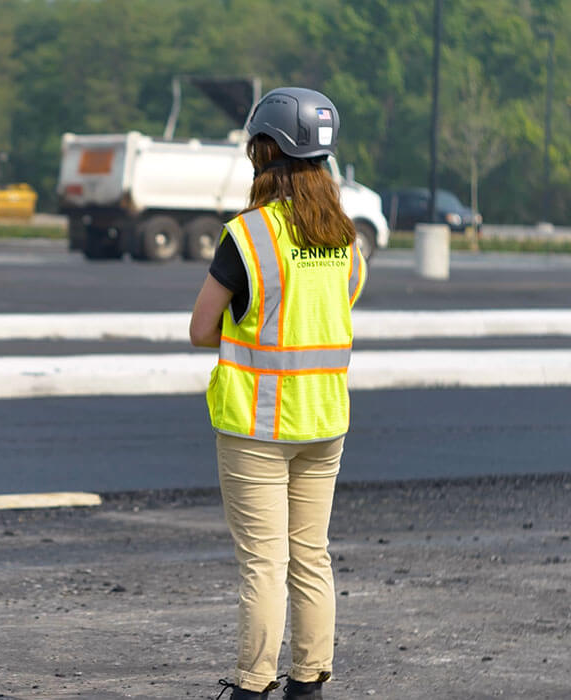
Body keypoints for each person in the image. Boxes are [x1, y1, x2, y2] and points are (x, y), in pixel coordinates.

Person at [189, 87, 367, 700]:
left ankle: (252, 686)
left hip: (258, 428)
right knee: (310, 557)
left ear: (267, 151)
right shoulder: (346, 240)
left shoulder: (249, 235)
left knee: (263, 565)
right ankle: (309, 682)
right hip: (325, 424)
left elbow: (199, 329)